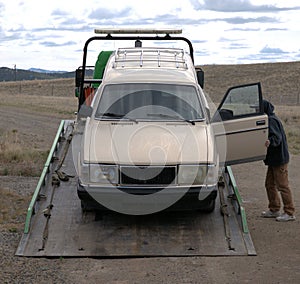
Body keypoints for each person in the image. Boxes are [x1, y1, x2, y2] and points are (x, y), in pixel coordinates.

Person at [261, 100, 295, 221]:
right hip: (274, 160)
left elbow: (277, 138)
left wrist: (270, 141)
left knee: (282, 186)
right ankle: (274, 209)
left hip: (279, 159)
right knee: (269, 184)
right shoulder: (270, 118)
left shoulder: (271, 120)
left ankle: (289, 212)